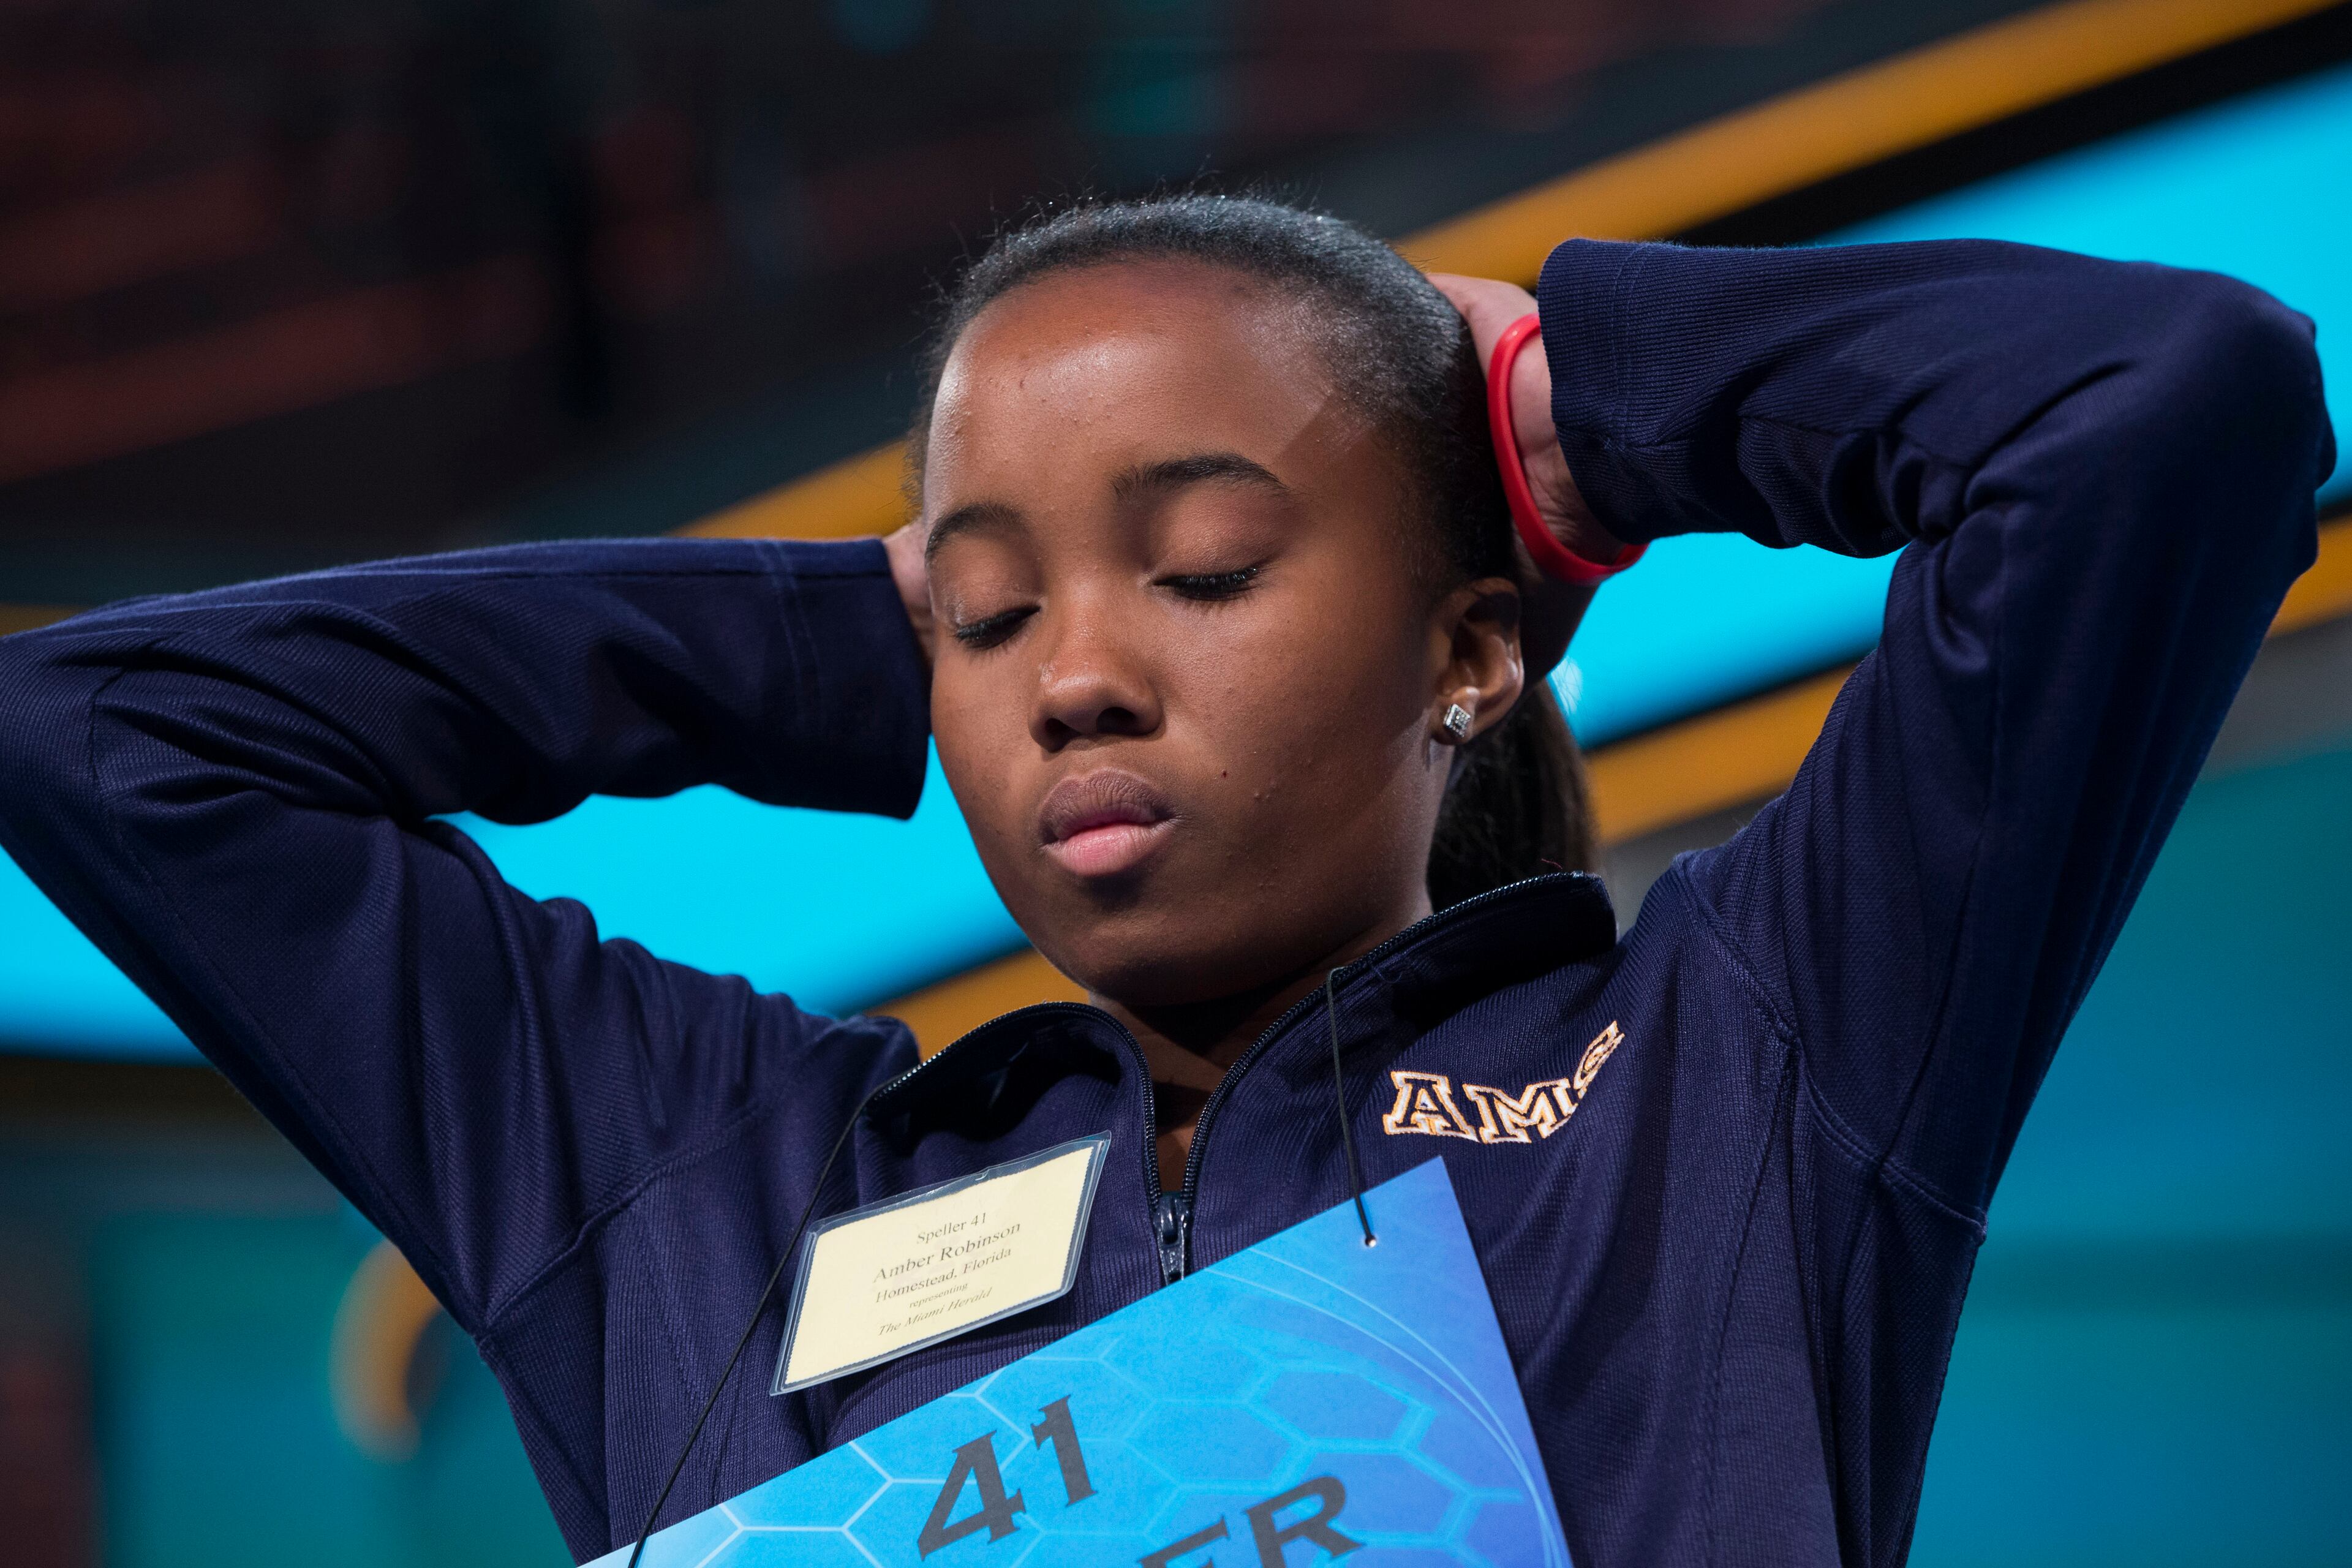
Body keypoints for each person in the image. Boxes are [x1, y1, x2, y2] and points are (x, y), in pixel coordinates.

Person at [0, 194, 2331, 1567]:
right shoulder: (708, 1197)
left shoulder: (1733, 1085)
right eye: (992, 615)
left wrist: (1551, 416)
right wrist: (821, 643)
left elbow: (2167, 401)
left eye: (1204, 568)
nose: (1072, 679)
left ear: (1467, 649)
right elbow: (106, 743)